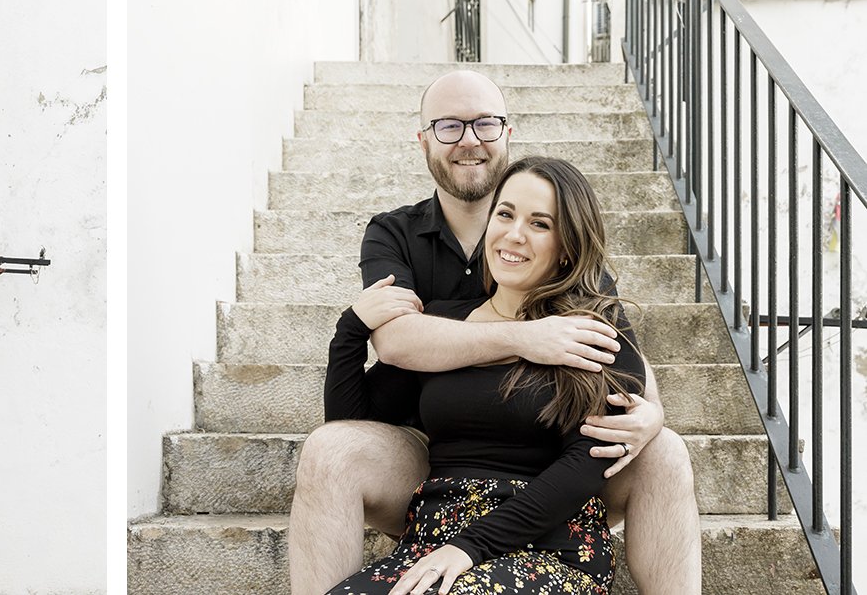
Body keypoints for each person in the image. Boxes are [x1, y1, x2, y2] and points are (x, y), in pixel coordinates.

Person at [289, 71, 701, 595]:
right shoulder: (398, 239)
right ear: (423, 139)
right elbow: (386, 362)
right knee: (331, 451)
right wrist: (354, 328)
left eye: (484, 123)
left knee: (662, 449)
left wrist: (651, 412)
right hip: (434, 469)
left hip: (551, 505)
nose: (469, 140)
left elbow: (624, 375)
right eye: (449, 126)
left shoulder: (581, 303)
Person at [324, 156, 645, 594]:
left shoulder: (590, 330)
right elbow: (352, 424)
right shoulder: (446, 325)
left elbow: (588, 462)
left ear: (567, 246)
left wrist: (472, 546)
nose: (514, 234)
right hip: (434, 539)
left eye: (540, 224)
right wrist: (351, 330)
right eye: (506, 214)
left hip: (547, 542)